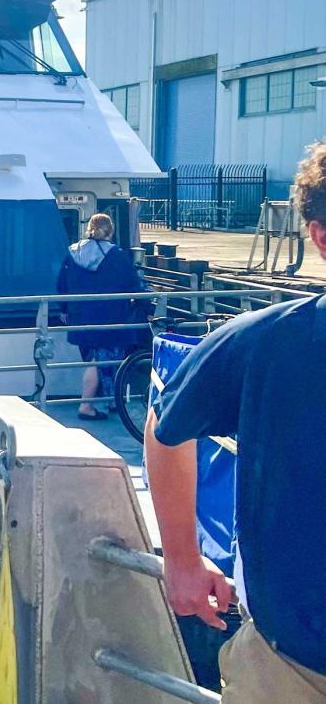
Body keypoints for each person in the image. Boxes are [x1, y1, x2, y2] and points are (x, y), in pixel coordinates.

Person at [145, 141, 326, 702]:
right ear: (321, 235)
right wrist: (180, 558)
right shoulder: (267, 343)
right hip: (292, 669)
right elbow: (165, 423)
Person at [55, 213, 147, 420]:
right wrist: (144, 304)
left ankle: (107, 401)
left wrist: (64, 309)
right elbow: (132, 284)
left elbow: (61, 284)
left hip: (79, 317)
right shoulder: (116, 255)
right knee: (103, 361)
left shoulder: (73, 253)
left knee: (91, 358)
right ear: (111, 231)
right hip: (110, 317)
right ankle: (88, 405)